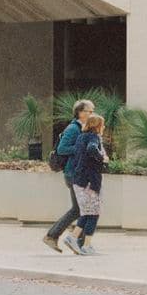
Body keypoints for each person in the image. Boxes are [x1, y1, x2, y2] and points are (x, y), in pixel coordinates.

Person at [44, 97, 95, 253]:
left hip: (79, 173)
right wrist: (82, 149)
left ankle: (76, 242)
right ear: (80, 113)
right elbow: (62, 149)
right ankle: (55, 236)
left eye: (93, 111)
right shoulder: (73, 129)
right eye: (89, 111)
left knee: (81, 209)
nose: (92, 114)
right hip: (73, 173)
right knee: (80, 209)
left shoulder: (84, 127)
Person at [63, 110, 108, 254]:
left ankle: (74, 237)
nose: (104, 127)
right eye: (103, 125)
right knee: (94, 213)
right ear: (97, 126)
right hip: (89, 181)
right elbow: (92, 149)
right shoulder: (94, 137)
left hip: (79, 180)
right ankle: (86, 245)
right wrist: (102, 157)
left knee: (87, 213)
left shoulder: (81, 137)